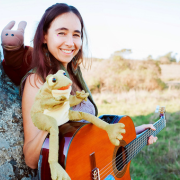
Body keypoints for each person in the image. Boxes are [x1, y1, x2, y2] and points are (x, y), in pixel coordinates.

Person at [22, 2, 157, 173]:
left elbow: (86, 134)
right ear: (44, 36)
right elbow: (31, 160)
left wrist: (134, 133)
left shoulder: (75, 76)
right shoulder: (37, 81)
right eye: (61, 33)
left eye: (76, 35)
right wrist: (53, 119)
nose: (70, 42)